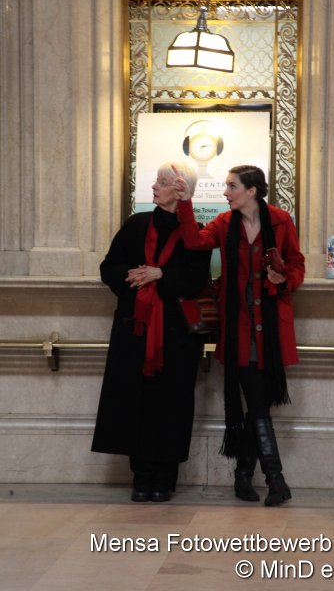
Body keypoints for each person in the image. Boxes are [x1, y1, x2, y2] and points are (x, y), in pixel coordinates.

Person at [174, 164, 305, 506]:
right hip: (239, 329)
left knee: (257, 405)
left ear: (251, 190)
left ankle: (244, 474)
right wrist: (185, 202)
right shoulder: (224, 223)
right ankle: (276, 480)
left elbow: (297, 264)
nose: (226, 192)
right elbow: (194, 241)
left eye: (232, 186)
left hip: (270, 330)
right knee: (258, 404)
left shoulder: (281, 221)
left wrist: (284, 279)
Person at [91, 162, 211, 502]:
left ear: (181, 190)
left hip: (177, 337)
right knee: (135, 402)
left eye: (162, 182)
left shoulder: (196, 232)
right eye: (156, 181)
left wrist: (161, 275)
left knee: (171, 405)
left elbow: (195, 280)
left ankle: (164, 479)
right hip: (135, 330)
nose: (155, 187)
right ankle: (141, 478)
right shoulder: (137, 224)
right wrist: (133, 275)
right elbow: (109, 267)